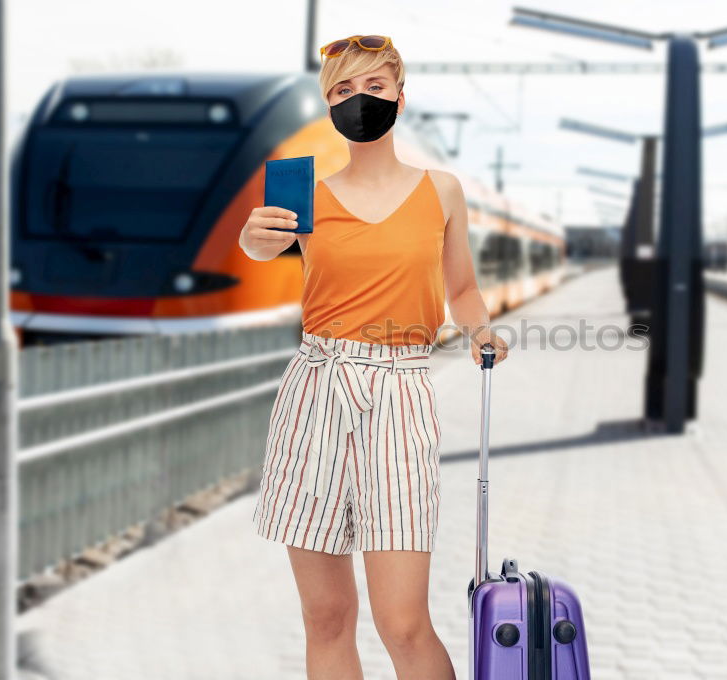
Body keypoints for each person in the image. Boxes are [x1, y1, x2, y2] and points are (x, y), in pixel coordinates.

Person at [240, 34, 508, 680]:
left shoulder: (440, 191)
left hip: (399, 393)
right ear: (328, 105)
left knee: (403, 623)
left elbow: (463, 289)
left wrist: (480, 331)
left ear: (399, 97)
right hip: (315, 391)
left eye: (373, 88)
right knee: (327, 616)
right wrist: (253, 238)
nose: (358, 101)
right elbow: (258, 253)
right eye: (340, 91)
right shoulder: (308, 199)